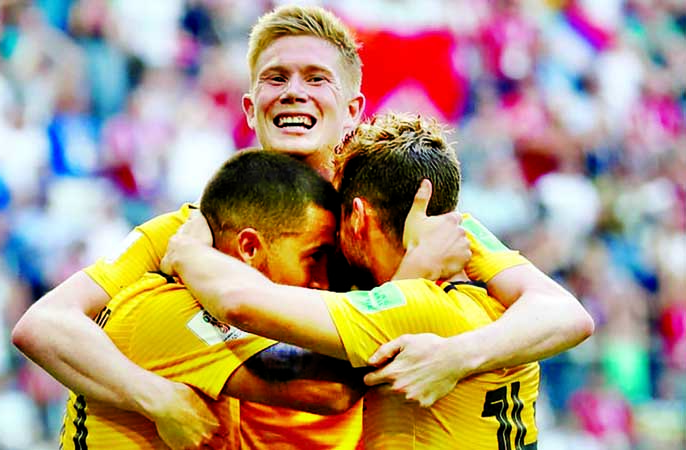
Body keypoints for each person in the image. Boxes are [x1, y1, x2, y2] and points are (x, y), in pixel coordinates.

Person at [12, 4, 593, 448]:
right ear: (249, 107)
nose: (294, 91)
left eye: (317, 78)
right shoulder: (195, 228)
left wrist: (460, 355)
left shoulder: (398, 215)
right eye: (276, 77)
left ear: (353, 108)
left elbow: (563, 313)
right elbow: (46, 324)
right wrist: (155, 397)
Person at [163, 113, 548, 449]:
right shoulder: (506, 307)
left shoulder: (411, 307)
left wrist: (187, 251)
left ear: (359, 216)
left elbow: (237, 301)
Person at [59, 150, 372, 449]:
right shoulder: (176, 311)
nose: (322, 281)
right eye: (314, 256)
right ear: (249, 247)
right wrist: (408, 301)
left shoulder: (197, 297)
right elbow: (331, 389)